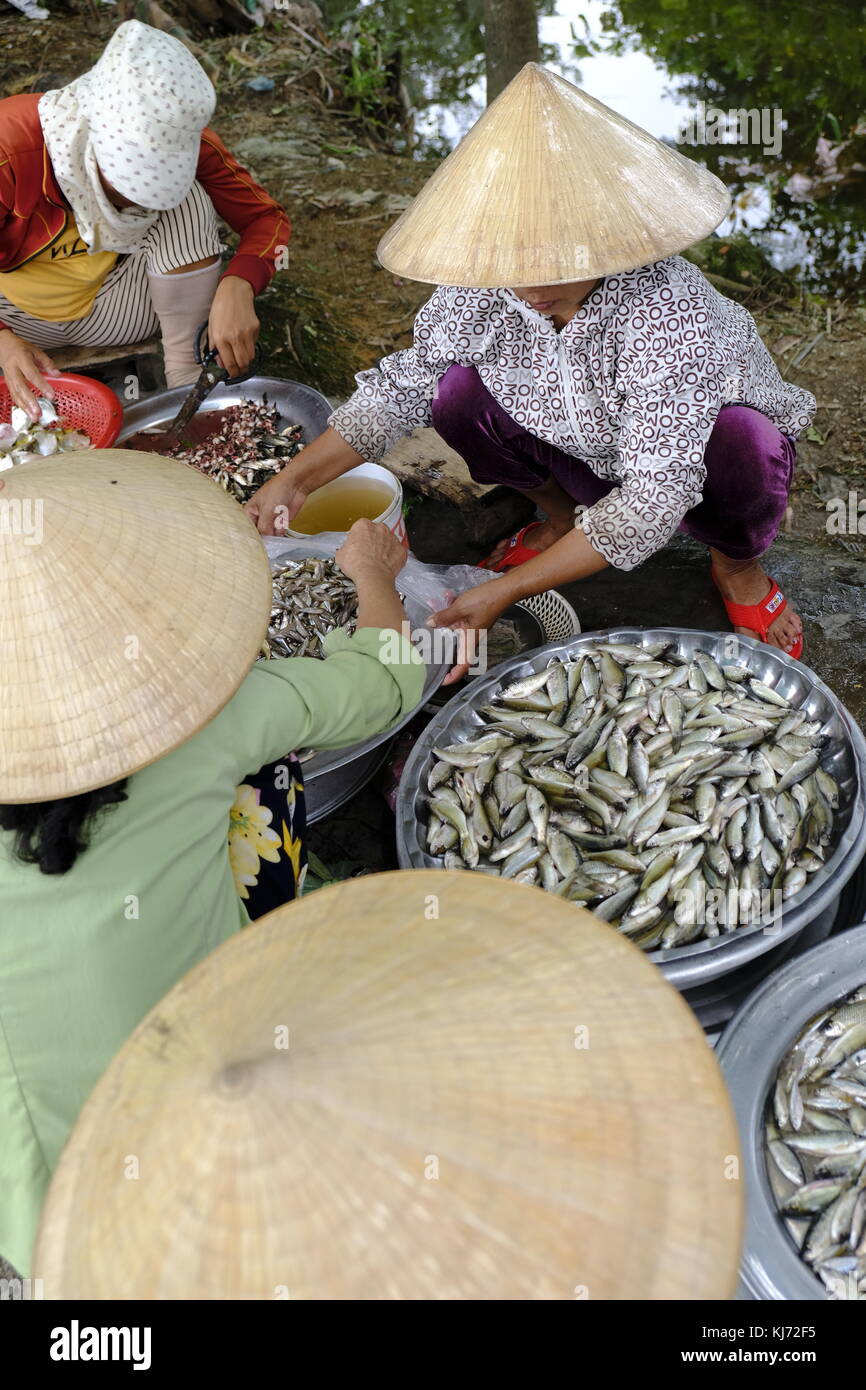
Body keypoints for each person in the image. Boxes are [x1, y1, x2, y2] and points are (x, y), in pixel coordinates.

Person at [0, 449, 424, 1276]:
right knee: (265, 775)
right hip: (204, 1103)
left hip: (31, 1207)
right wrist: (373, 574)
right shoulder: (205, 722)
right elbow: (386, 679)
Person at [246, 64, 815, 671]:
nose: (534, 289)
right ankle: (561, 516)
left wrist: (509, 591)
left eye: (558, 265)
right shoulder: (489, 286)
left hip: (686, 463)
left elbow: (654, 496)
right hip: (577, 446)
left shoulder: (668, 307)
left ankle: (737, 565)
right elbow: (403, 386)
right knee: (454, 392)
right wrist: (297, 480)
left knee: (744, 441)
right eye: (516, 266)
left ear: (607, 240)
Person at [0, 20, 289, 416]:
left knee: (187, 202)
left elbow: (267, 221)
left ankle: (187, 395)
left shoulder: (187, 139)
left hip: (118, 311)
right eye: (124, 179)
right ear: (91, 130)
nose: (131, 200)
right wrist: (3, 340)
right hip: (14, 316)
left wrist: (240, 284)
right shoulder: (9, 148)